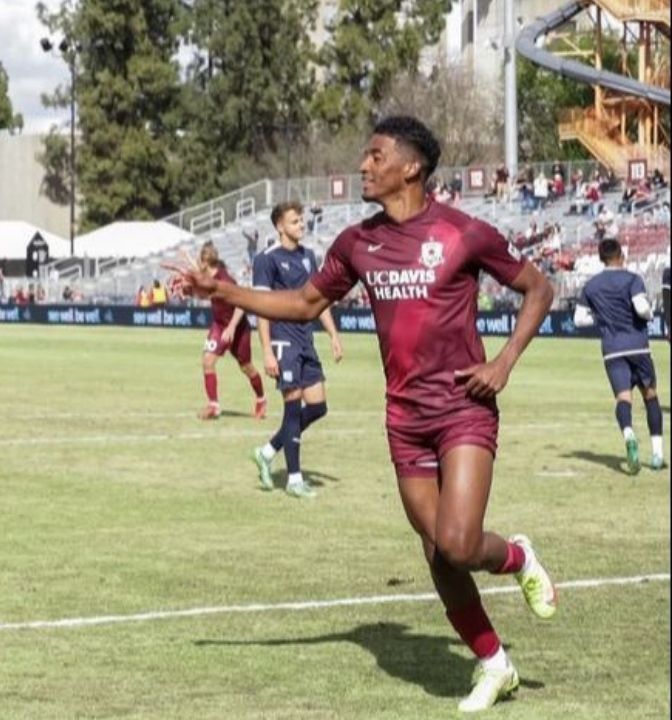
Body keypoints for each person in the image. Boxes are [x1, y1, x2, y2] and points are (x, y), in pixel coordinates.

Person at [166, 116, 558, 713]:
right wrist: (221, 290)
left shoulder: (463, 232)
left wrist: (503, 362)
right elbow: (302, 303)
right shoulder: (357, 243)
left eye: (376, 156)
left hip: (463, 408)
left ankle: (518, 556)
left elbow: (539, 288)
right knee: (435, 549)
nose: (364, 166)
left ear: (412, 167)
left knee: (456, 541)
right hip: (404, 415)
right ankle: (494, 663)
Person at [251, 201, 344, 498]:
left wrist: (332, 334)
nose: (301, 225)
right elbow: (261, 309)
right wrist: (266, 350)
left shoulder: (308, 256)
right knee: (292, 408)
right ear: (280, 226)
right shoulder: (266, 260)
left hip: (306, 339)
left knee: (318, 406)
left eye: (302, 221)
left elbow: (317, 301)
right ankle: (293, 479)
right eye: (295, 221)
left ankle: (267, 451)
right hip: (282, 339)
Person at [573, 239, 663, 472]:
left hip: (612, 349)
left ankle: (629, 434)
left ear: (601, 258)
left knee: (623, 399)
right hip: (638, 347)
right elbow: (642, 308)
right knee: (650, 397)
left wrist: (601, 319)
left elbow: (579, 320)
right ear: (621, 255)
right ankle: (656, 455)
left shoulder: (591, 286)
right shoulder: (633, 279)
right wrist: (650, 313)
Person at [197, 242, 267, 421]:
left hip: (238, 328)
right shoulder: (208, 276)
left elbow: (241, 303)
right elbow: (199, 282)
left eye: (199, 258)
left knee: (246, 367)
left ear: (206, 261)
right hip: (219, 325)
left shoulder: (225, 280)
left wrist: (232, 327)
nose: (198, 262)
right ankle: (214, 406)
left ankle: (261, 398)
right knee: (207, 361)